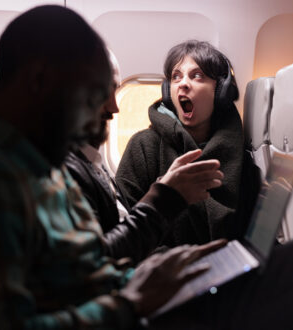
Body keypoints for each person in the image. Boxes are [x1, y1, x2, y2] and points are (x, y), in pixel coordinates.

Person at [0, 5, 293, 330]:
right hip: (139, 315)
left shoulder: (38, 162)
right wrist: (133, 297)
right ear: (39, 81)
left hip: (148, 300)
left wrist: (165, 269)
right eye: (97, 94)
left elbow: (85, 267)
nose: (112, 110)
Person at [64, 51, 220, 263]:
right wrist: (164, 197)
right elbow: (94, 264)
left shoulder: (90, 163)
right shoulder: (61, 171)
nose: (114, 107)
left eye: (197, 76)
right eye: (102, 91)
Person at [116, 41, 261, 247]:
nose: (183, 83)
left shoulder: (239, 154)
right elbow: (125, 228)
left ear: (220, 91)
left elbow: (251, 232)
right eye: (176, 76)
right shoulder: (144, 146)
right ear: (168, 91)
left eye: (197, 75)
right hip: (164, 272)